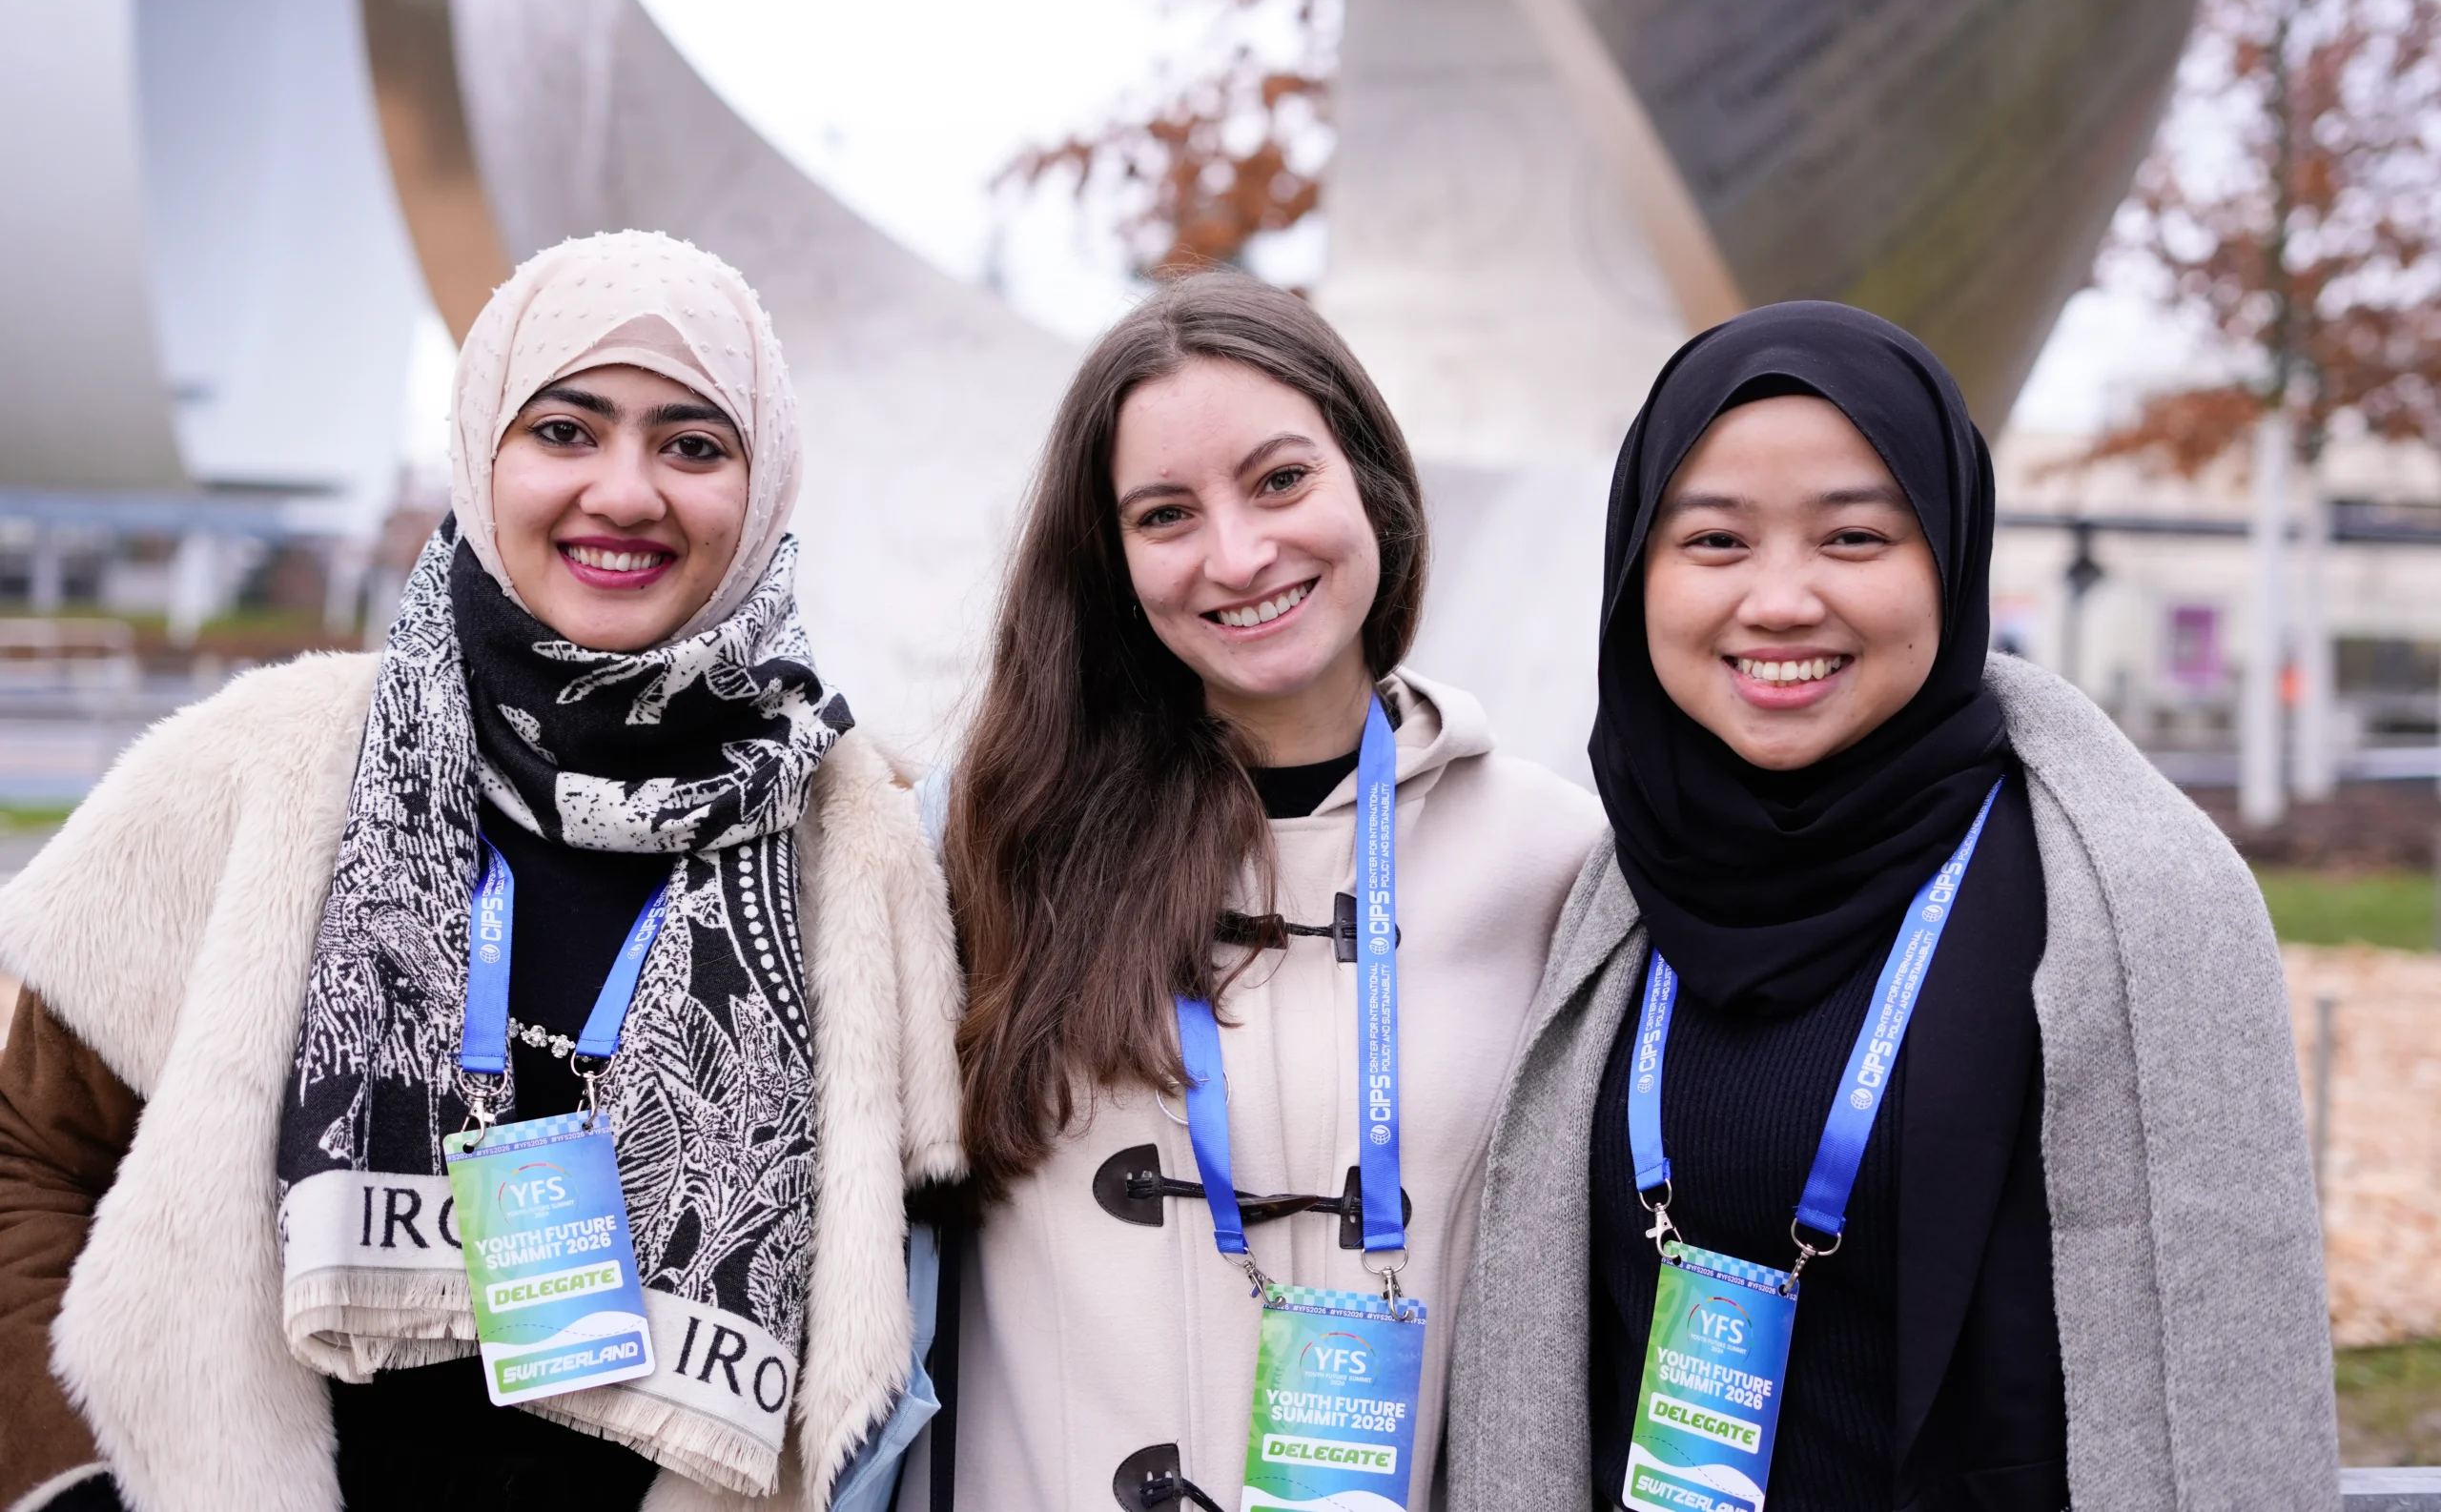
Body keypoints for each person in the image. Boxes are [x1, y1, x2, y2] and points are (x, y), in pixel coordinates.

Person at [0, 232, 963, 1512]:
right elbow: (28, 1159)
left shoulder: (860, 845)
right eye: (565, 430)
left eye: (692, 444)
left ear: (765, 483)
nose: (626, 492)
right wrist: (72, 1487)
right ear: (480, 454)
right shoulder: (262, 765)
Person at [1444, 301, 2340, 1510]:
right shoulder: (1601, 892)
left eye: (1854, 538)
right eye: (1714, 540)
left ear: (1951, 559)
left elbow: (2231, 1387)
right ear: (1636, 574)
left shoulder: (2129, 905)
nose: (1779, 600)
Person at [904, 272, 1605, 1510]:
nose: (1237, 555)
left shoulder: (1557, 862)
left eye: (1281, 480)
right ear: (1113, 560)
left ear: (1371, 484)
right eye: (1165, 514)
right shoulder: (982, 843)